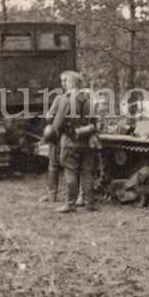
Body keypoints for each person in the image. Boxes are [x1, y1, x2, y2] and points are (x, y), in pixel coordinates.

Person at [51, 71, 99, 214]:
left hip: (70, 142)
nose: (65, 85)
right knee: (87, 172)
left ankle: (70, 204)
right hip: (87, 143)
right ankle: (90, 203)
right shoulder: (88, 100)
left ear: (71, 84)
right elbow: (95, 123)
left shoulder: (67, 100)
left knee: (70, 172)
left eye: (67, 83)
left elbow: (57, 124)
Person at [41, 71, 70, 202]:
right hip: (72, 136)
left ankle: (53, 194)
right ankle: (69, 195)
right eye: (62, 81)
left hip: (59, 136)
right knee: (70, 167)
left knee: (53, 165)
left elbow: (49, 116)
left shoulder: (60, 98)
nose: (63, 83)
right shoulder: (83, 97)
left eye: (65, 81)